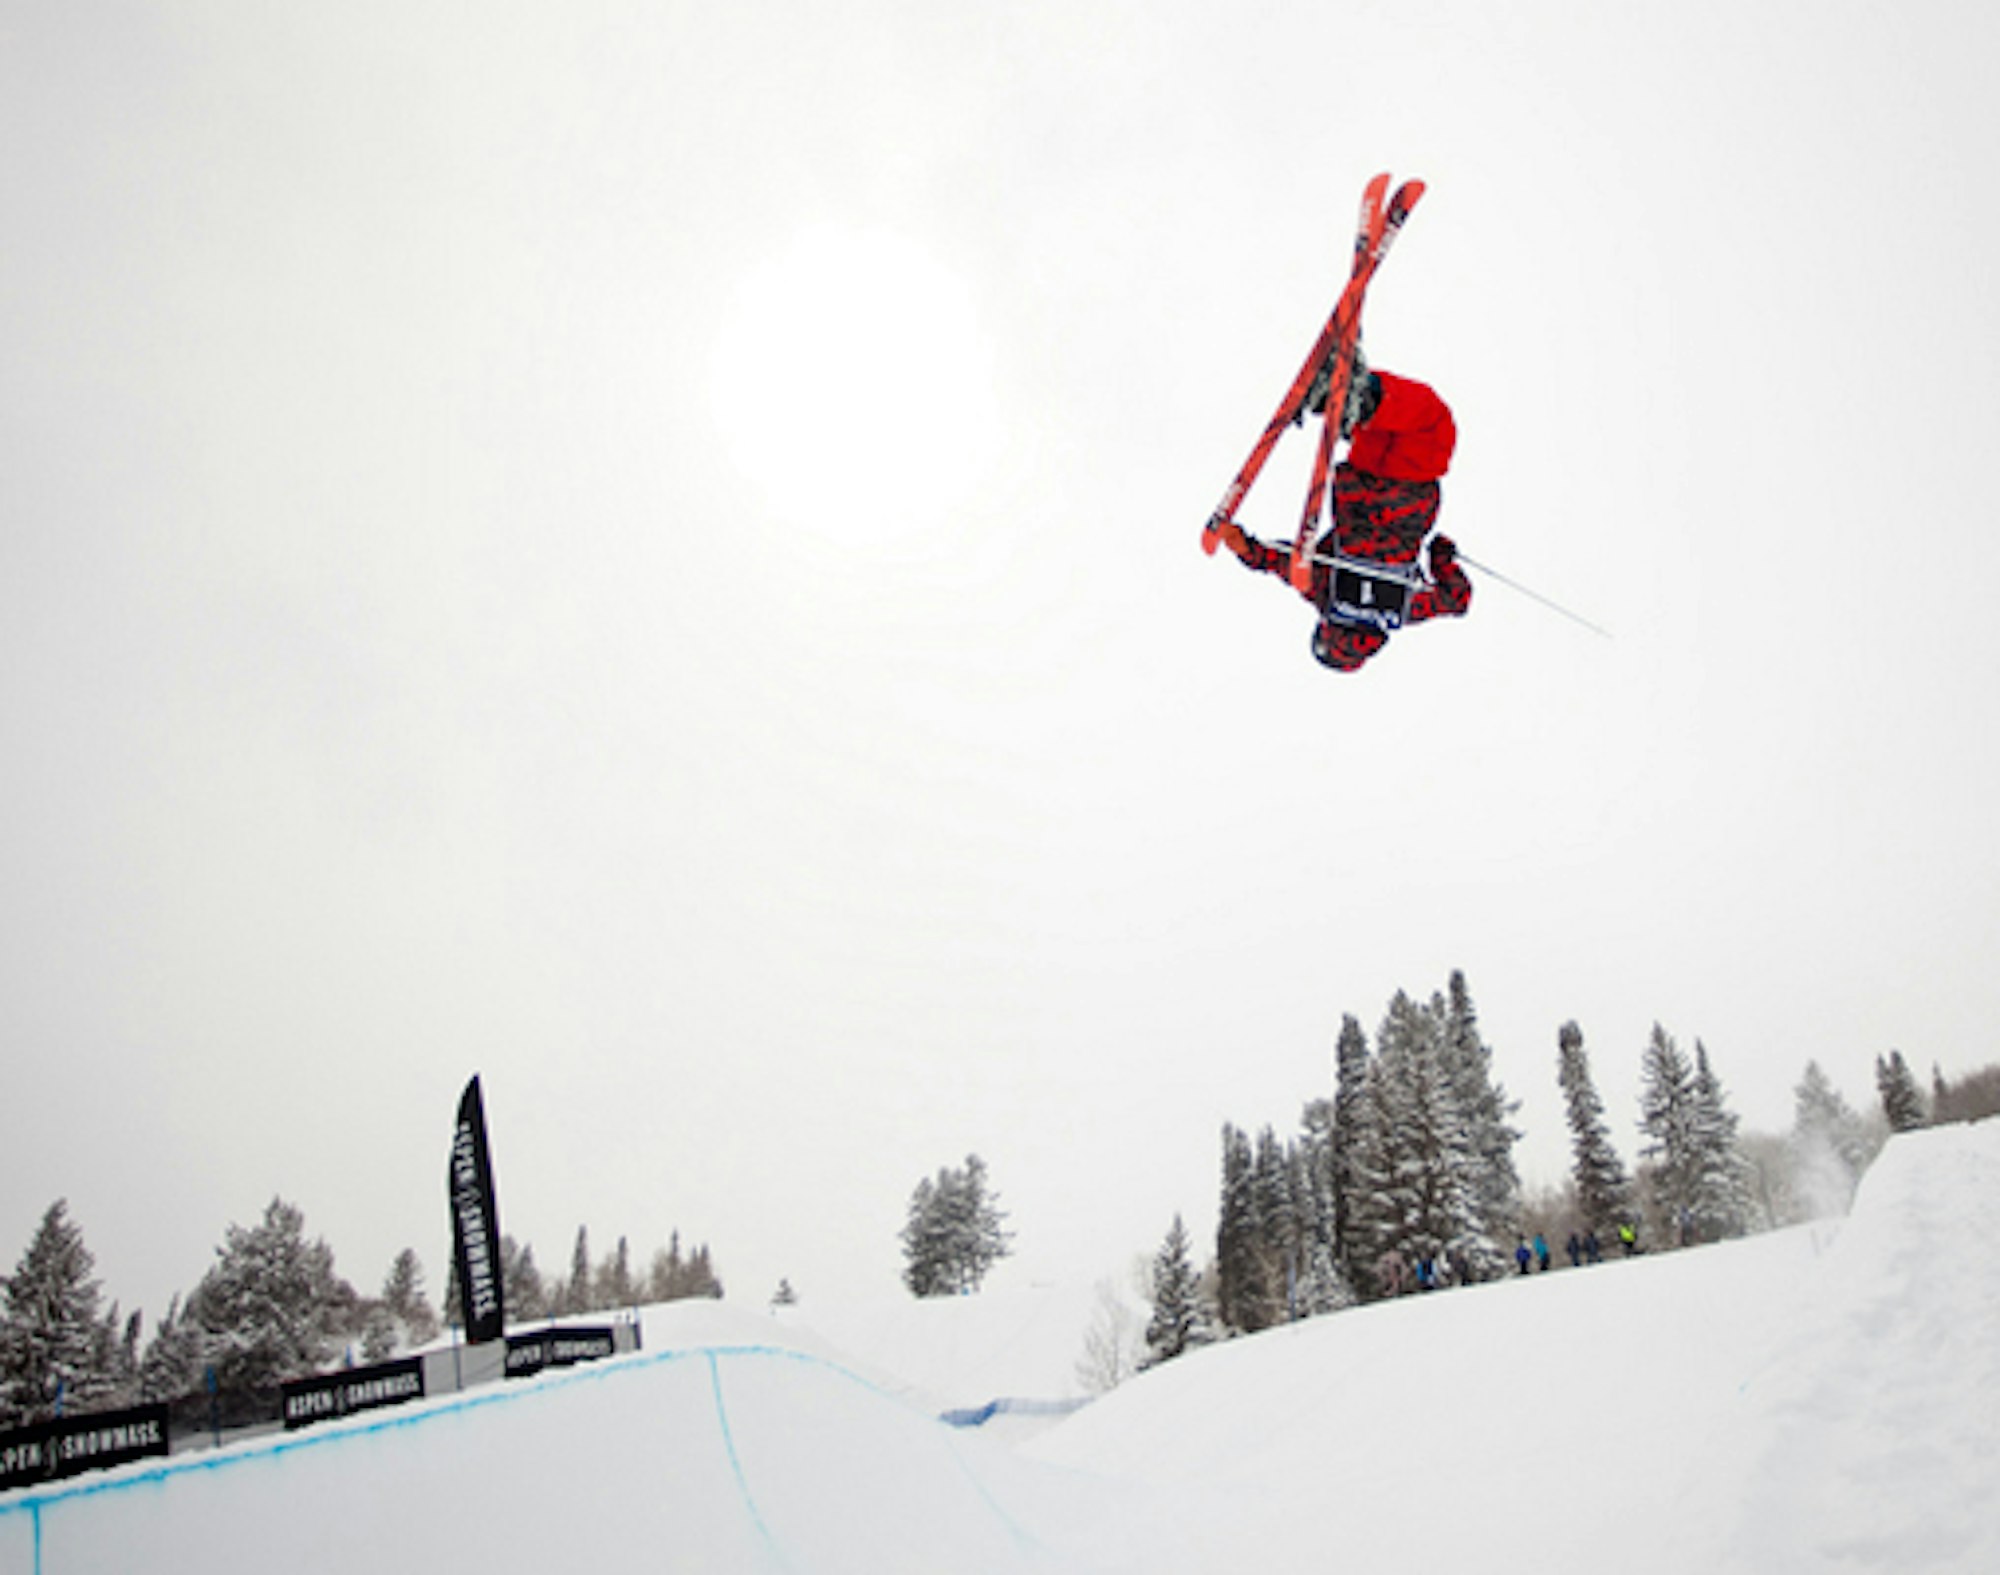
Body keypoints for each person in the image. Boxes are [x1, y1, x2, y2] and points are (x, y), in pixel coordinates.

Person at [1213, 361, 1471, 672]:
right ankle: (1346, 396)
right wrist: (1243, 546)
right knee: (1379, 422)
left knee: (1431, 420)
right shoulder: (1327, 593)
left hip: (1408, 492)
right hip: (1357, 488)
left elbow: (1457, 599)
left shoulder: (1403, 609)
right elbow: (1284, 565)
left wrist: (1441, 555)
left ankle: (1361, 397)